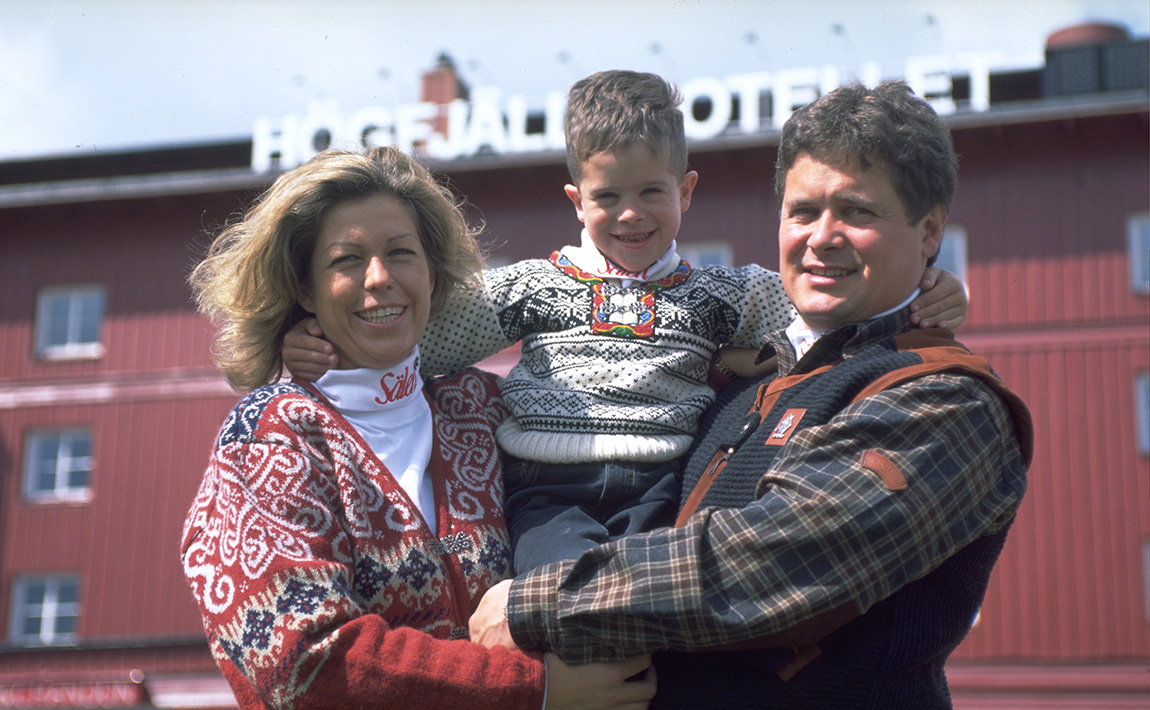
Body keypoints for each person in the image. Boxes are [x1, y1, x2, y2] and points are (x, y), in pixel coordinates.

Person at [468, 81, 1034, 709]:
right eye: (803, 211)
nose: (822, 237)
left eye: (858, 212)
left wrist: (539, 603)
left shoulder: (944, 401)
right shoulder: (747, 375)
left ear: (929, 232)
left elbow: (781, 563)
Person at [284, 71, 969, 574]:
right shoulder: (534, 286)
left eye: (651, 192)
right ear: (575, 201)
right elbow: (410, 334)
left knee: (644, 613)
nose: (630, 213)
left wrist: (930, 291)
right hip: (549, 487)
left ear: (687, 192)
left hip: (661, 486)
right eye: (607, 196)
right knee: (561, 600)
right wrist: (319, 343)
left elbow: (830, 317)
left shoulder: (722, 294)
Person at [180, 146, 656, 710]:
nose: (379, 278)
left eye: (400, 253)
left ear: (432, 272)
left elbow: (634, 419)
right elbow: (303, 664)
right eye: (346, 260)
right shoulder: (267, 437)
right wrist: (536, 689)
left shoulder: (482, 405)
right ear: (305, 290)